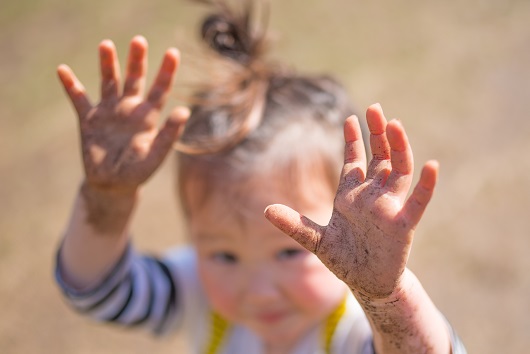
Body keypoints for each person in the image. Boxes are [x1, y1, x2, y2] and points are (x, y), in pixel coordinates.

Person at [54, 2, 466, 353]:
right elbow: (97, 291)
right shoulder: (197, 291)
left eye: (290, 252)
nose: (259, 291)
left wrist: (385, 298)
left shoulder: (356, 329)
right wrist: (106, 199)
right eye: (224, 255)